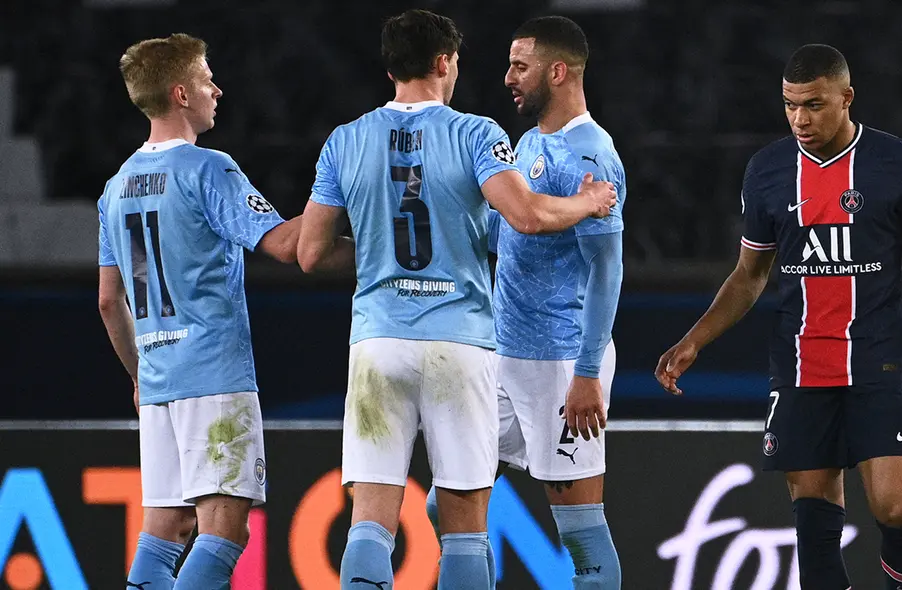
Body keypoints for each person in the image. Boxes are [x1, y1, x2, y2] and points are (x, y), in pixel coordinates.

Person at [296, 9, 617, 589]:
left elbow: (311, 252)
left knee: (370, 525)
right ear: (444, 62)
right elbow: (526, 216)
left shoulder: (344, 139)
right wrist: (589, 202)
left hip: (382, 341)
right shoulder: (479, 134)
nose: (506, 77)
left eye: (521, 65)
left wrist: (378, 252)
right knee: (463, 526)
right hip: (463, 344)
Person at [655, 44, 902, 590]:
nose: (800, 119)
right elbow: (749, 275)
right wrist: (694, 341)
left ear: (846, 98)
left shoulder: (897, 163)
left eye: (814, 105)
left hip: (878, 360)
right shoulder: (768, 170)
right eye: (790, 105)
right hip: (800, 365)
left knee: (896, 507)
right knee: (814, 518)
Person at [426, 15, 626, 589]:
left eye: (521, 66)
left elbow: (607, 272)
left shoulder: (592, 157)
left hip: (560, 362)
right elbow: (505, 233)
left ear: (557, 71)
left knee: (581, 535)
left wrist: (586, 373)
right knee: (449, 506)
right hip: (503, 352)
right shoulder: (532, 140)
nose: (508, 77)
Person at [97, 33, 302, 590]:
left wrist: (140, 376)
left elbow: (108, 301)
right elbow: (284, 244)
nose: (218, 88)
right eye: (208, 77)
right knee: (224, 531)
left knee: (163, 528)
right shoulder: (208, 169)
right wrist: (346, 207)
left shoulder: (114, 189)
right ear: (181, 93)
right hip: (213, 372)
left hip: (159, 381)